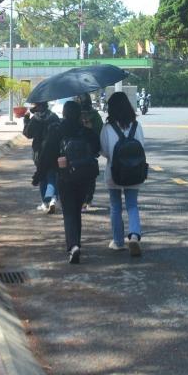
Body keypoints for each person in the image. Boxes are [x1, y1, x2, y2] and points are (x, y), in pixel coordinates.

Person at [38, 100, 100, 263]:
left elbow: (46, 153)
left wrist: (39, 174)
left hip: (64, 175)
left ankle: (73, 245)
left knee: (69, 212)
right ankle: (75, 243)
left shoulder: (57, 129)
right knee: (76, 210)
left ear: (64, 114)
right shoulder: (86, 131)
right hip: (84, 176)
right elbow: (96, 149)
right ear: (79, 114)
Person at [100, 91, 145, 257]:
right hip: (134, 171)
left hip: (114, 172)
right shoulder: (136, 125)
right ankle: (134, 235)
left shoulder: (107, 128)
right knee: (132, 204)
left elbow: (104, 151)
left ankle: (118, 242)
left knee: (115, 206)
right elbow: (142, 146)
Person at [23, 101, 60, 213]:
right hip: (53, 151)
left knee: (42, 175)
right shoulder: (54, 117)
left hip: (39, 152)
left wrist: (26, 120)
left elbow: (28, 134)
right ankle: (53, 198)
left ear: (38, 106)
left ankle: (45, 202)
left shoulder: (35, 119)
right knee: (52, 175)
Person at [76, 93, 103, 211]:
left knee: (78, 175)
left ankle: (80, 199)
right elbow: (100, 131)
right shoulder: (96, 115)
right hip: (91, 149)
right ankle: (88, 200)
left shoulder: (75, 114)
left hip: (76, 150)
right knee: (91, 176)